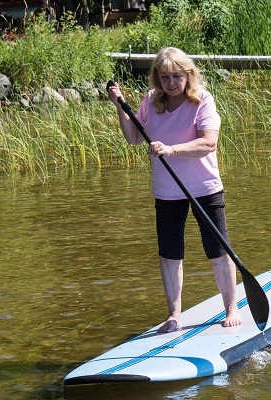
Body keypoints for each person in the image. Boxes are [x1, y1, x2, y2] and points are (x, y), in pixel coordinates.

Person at [107, 47, 243, 333]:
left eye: (177, 76)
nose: (171, 83)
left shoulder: (202, 100)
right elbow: (133, 137)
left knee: (217, 250)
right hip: (167, 190)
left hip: (204, 188)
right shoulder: (151, 101)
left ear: (188, 75)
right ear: (157, 77)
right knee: (170, 254)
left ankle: (231, 308)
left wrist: (171, 149)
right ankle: (174, 315)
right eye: (165, 76)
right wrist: (120, 107)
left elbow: (208, 143)